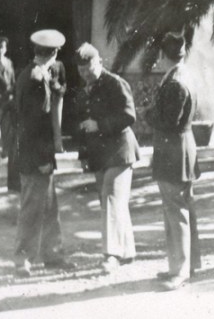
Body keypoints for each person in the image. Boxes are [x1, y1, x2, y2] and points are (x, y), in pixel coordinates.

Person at [75, 43, 141, 273]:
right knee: (111, 203)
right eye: (81, 70)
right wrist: (84, 155)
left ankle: (110, 255)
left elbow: (129, 115)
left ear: (99, 62)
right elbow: (84, 126)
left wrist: (99, 125)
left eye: (89, 68)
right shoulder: (84, 90)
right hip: (100, 155)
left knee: (111, 199)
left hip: (120, 152)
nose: (86, 74)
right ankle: (128, 251)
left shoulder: (115, 83)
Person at [13, 29, 74, 276]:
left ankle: (53, 255)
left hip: (39, 152)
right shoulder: (34, 80)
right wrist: (41, 159)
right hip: (33, 154)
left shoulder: (40, 74)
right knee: (32, 206)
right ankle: (22, 259)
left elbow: (58, 90)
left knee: (48, 206)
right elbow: (33, 125)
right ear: (53, 52)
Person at [150, 31, 201, 291]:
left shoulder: (175, 82)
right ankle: (183, 265)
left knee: (175, 210)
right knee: (178, 208)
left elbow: (167, 121)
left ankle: (180, 270)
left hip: (174, 150)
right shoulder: (181, 75)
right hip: (180, 148)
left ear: (163, 55)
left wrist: (148, 115)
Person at [0, 36, 15, 163]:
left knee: (7, 125)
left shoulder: (9, 63)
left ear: (5, 49)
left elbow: (12, 80)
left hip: (7, 98)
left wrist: (12, 92)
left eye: (3, 47)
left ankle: (6, 151)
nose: (1, 50)